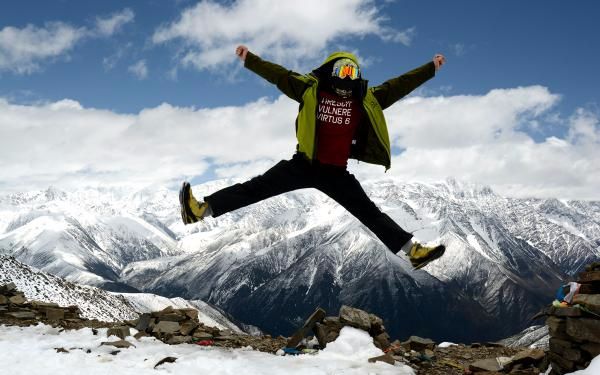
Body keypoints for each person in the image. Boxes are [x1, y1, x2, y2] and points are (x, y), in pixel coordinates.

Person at [179, 45, 447, 269]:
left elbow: (401, 85)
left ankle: (413, 251)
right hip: (303, 164)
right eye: (343, 69)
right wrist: (250, 59)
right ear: (331, 71)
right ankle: (200, 210)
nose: (348, 76)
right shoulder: (310, 89)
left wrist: (430, 68)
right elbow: (278, 75)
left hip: (336, 173)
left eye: (353, 71)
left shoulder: (366, 98)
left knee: (369, 213)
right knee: (256, 188)